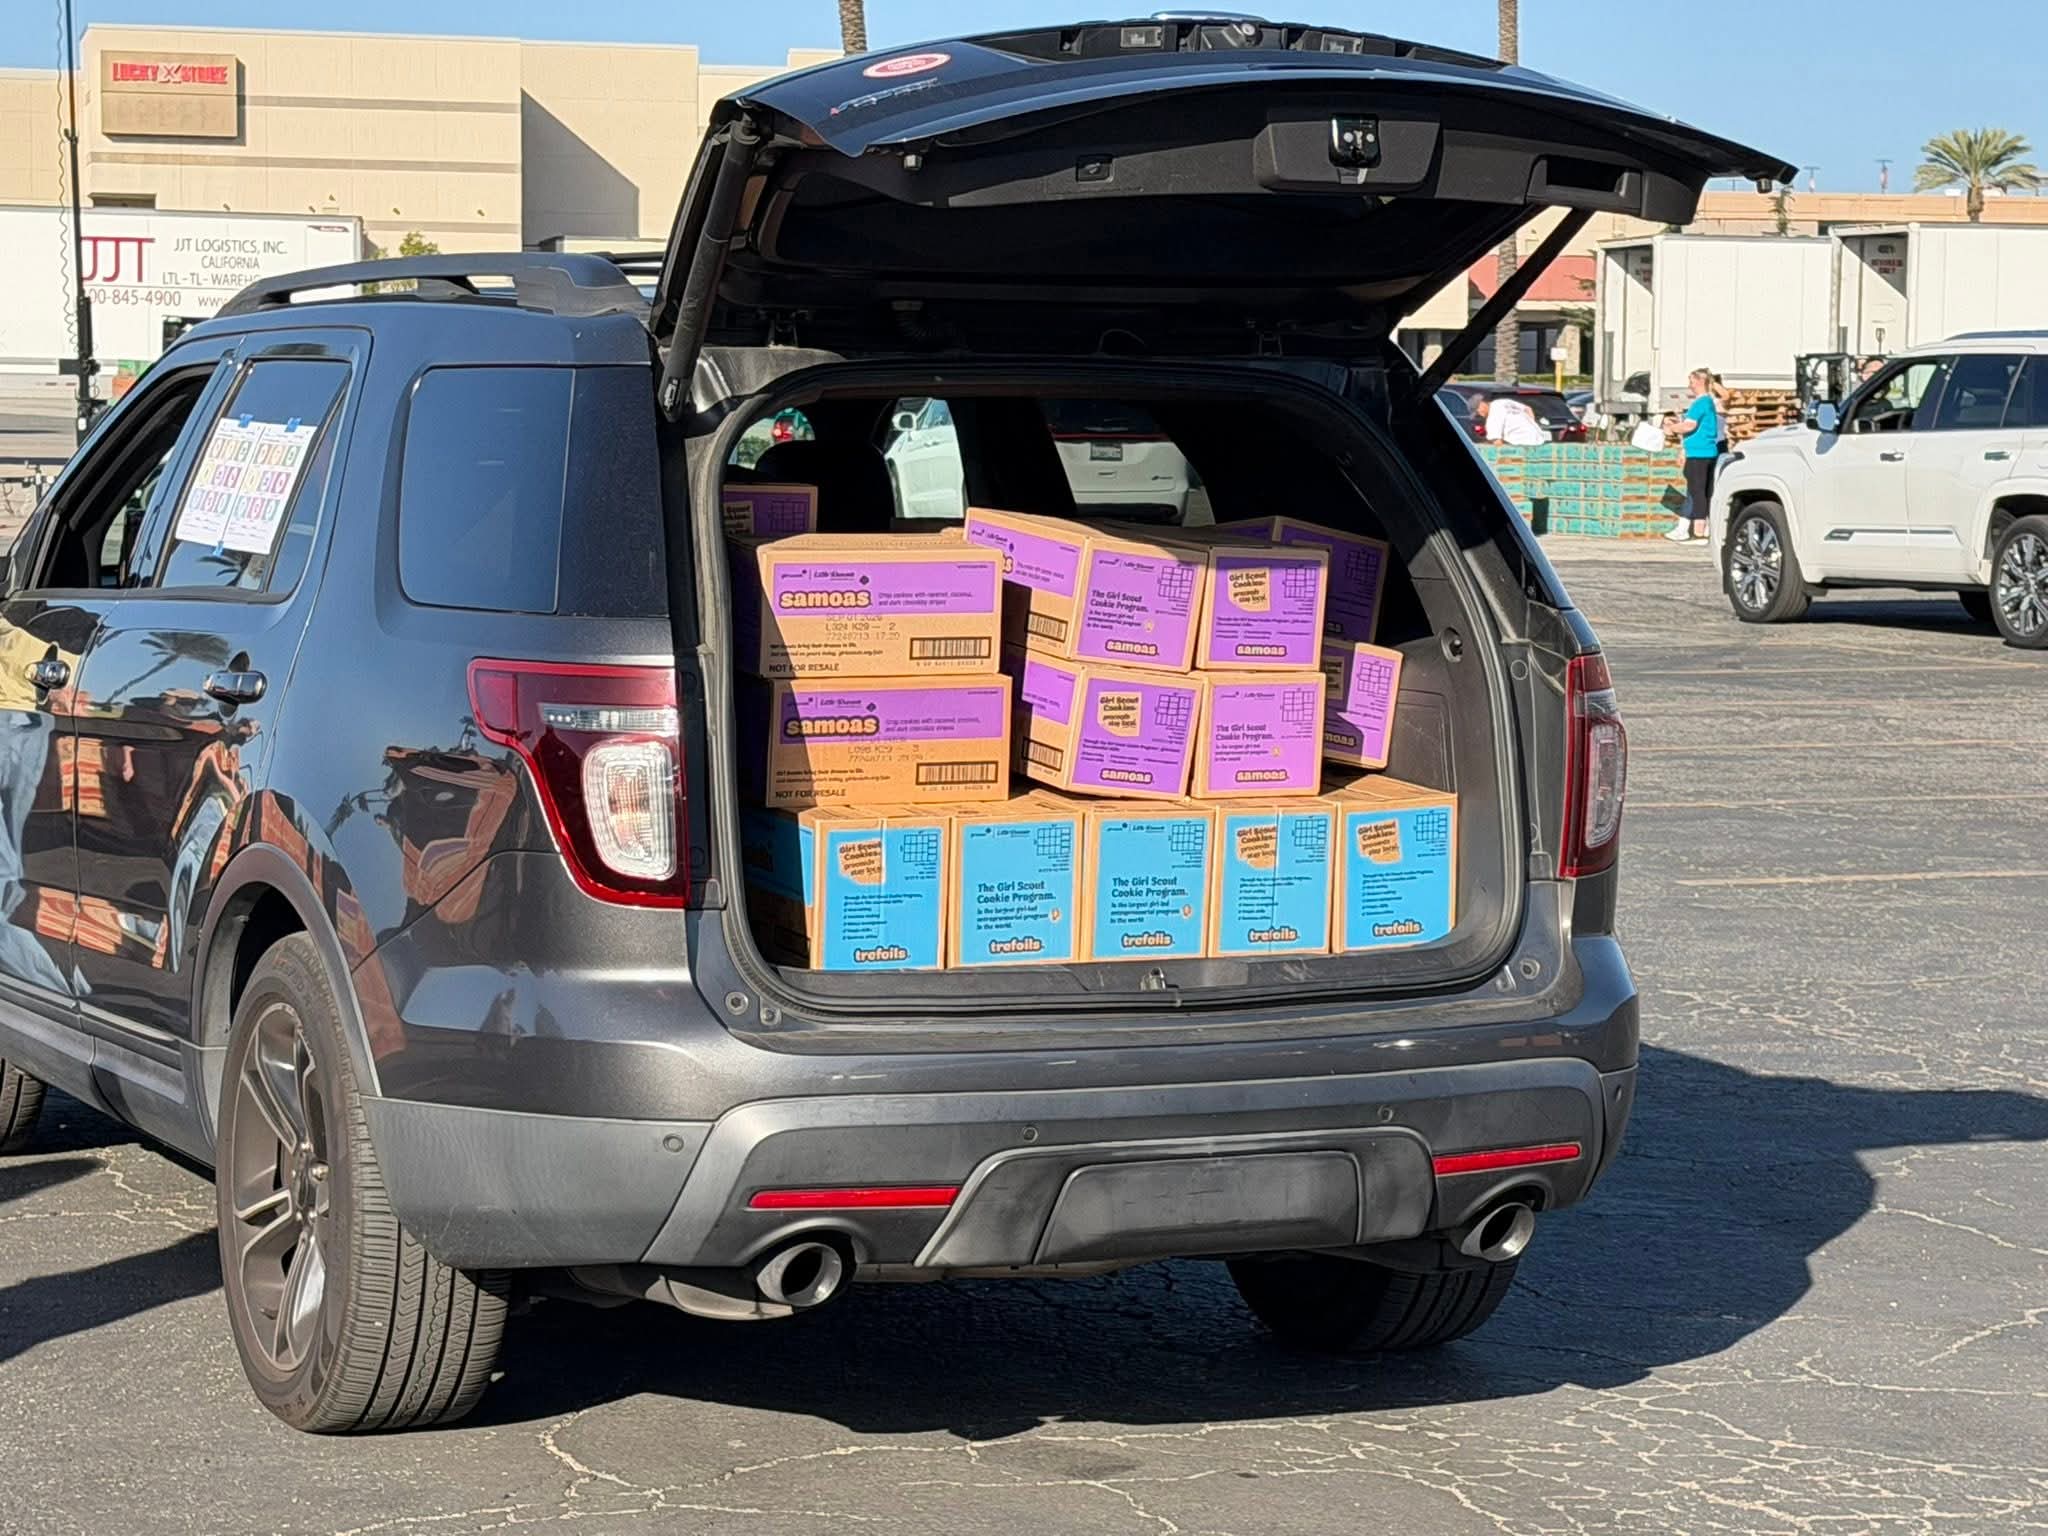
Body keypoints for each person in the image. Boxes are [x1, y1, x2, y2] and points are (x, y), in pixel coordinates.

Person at [1664, 367, 1720, 542]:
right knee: (1703, 491)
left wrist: (1671, 429)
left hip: (1699, 453)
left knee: (1697, 493)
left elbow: (1689, 426)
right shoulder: (1708, 402)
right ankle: (1700, 530)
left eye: (1691, 380)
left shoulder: (1700, 403)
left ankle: (1699, 532)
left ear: (1700, 381)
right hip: (1707, 452)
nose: (1689, 384)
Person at [1478, 391, 1546, 447]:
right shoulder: (1501, 402)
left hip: (1522, 446)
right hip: (1538, 439)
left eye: (1477, 410)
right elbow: (1528, 409)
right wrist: (1531, 425)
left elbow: (1498, 444)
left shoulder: (1492, 419)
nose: (1479, 413)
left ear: (1482, 404)